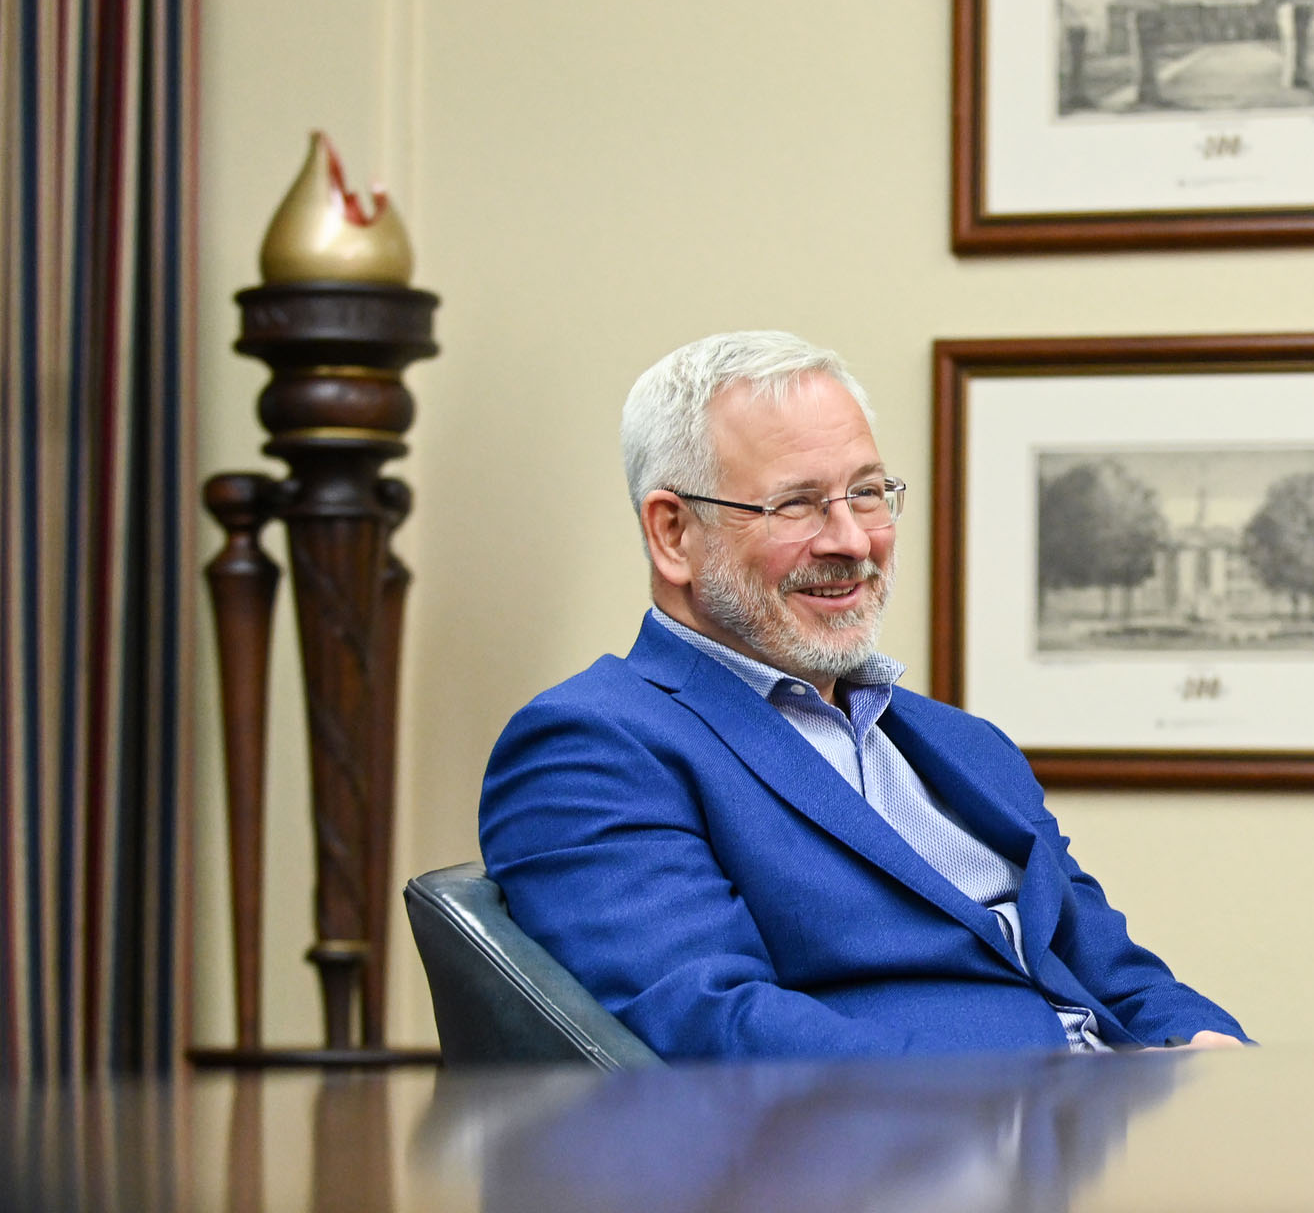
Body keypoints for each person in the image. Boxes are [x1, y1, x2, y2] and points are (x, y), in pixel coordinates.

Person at [480, 331, 1247, 1058]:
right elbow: (717, 1027)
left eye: (867, 493)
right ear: (673, 534)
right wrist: (1058, 1100)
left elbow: (1117, 975)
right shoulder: (592, 746)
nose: (851, 540)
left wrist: (1211, 1062)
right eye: (797, 503)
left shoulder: (965, 746)